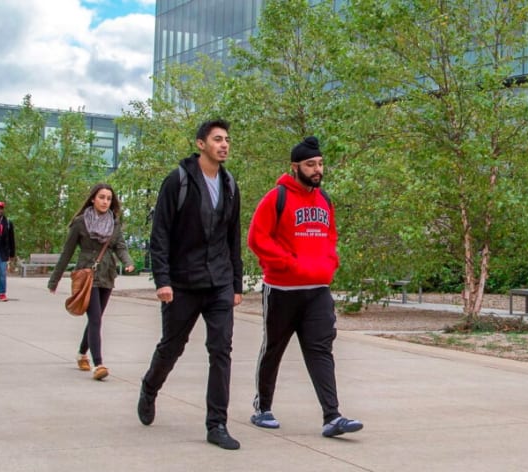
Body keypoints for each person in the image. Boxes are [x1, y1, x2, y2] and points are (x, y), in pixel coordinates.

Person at [137, 119, 244, 450]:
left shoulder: (229, 184)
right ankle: (150, 388)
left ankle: (217, 425)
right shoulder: (178, 180)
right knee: (172, 346)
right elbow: (160, 234)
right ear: (201, 144)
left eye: (227, 139)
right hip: (182, 283)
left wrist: (237, 284)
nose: (224, 145)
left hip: (220, 283)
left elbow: (233, 238)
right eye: (217, 139)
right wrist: (163, 280)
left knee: (221, 350)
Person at [246, 136, 363, 438]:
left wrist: (329, 262)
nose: (317, 169)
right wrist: (287, 262)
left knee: (321, 350)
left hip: (317, 292)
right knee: (273, 349)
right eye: (311, 164)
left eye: (320, 164)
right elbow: (257, 239)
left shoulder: (325, 200)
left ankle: (332, 416)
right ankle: (262, 409)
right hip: (282, 290)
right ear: (295, 166)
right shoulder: (276, 197)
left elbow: (330, 236)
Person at [48, 183, 135, 381]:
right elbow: (67, 252)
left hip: (107, 273)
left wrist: (128, 262)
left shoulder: (114, 223)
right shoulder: (80, 222)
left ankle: (81, 353)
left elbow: (120, 246)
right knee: (95, 318)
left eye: (109, 198)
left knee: (96, 318)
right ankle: (99, 364)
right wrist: (55, 280)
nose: (105, 201)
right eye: (102, 197)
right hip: (87, 273)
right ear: (93, 199)